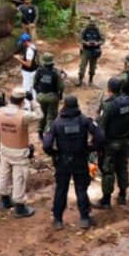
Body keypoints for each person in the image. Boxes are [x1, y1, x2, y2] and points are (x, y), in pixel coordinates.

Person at [43, 96, 105, 230]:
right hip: (80, 160)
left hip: (63, 161)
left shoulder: (57, 123)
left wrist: (54, 153)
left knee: (61, 190)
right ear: (77, 106)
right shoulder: (84, 121)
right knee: (81, 189)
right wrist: (91, 148)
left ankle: (58, 220)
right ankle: (84, 218)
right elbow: (100, 136)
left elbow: (46, 144)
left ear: (64, 105)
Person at [0, 87, 43, 218]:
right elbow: (40, 115)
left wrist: (4, 136)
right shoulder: (24, 115)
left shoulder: (0, 111)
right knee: (19, 178)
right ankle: (20, 207)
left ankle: (5, 200)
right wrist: (33, 101)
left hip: (5, 149)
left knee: (4, 174)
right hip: (19, 152)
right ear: (22, 101)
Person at [95, 78, 129, 209]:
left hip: (111, 143)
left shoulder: (108, 105)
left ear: (109, 89)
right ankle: (122, 196)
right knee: (122, 167)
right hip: (125, 141)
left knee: (108, 170)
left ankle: (106, 200)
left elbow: (101, 127)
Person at [33, 52, 64, 140]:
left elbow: (34, 84)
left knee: (41, 114)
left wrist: (39, 93)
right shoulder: (56, 72)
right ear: (52, 62)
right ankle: (49, 134)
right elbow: (61, 87)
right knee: (51, 116)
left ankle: (40, 132)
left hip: (40, 96)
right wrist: (60, 94)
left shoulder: (39, 71)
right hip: (52, 96)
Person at [77, 17, 105, 87]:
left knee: (93, 66)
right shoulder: (84, 30)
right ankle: (80, 80)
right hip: (86, 50)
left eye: (93, 25)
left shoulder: (98, 30)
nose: (92, 27)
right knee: (82, 66)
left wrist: (97, 43)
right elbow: (79, 38)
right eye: (90, 25)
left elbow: (103, 39)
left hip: (95, 51)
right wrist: (85, 43)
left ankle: (91, 80)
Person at [14, 33, 38, 101]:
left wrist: (18, 59)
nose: (22, 44)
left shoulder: (29, 51)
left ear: (26, 41)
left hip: (28, 73)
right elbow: (31, 59)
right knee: (33, 87)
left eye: (23, 42)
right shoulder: (33, 46)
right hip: (33, 70)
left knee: (26, 88)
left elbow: (28, 64)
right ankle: (34, 101)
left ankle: (27, 104)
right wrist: (22, 57)